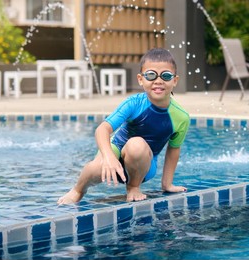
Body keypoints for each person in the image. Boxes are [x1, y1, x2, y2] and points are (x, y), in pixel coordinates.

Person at [57, 48, 190, 205]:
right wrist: (108, 157)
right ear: (141, 79)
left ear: (175, 80)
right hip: (116, 149)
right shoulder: (133, 103)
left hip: (143, 164)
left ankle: (133, 186)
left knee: (137, 144)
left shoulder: (181, 117)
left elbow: (174, 149)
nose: (158, 81)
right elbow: (102, 129)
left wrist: (167, 184)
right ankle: (78, 190)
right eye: (151, 75)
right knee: (94, 169)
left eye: (166, 76)